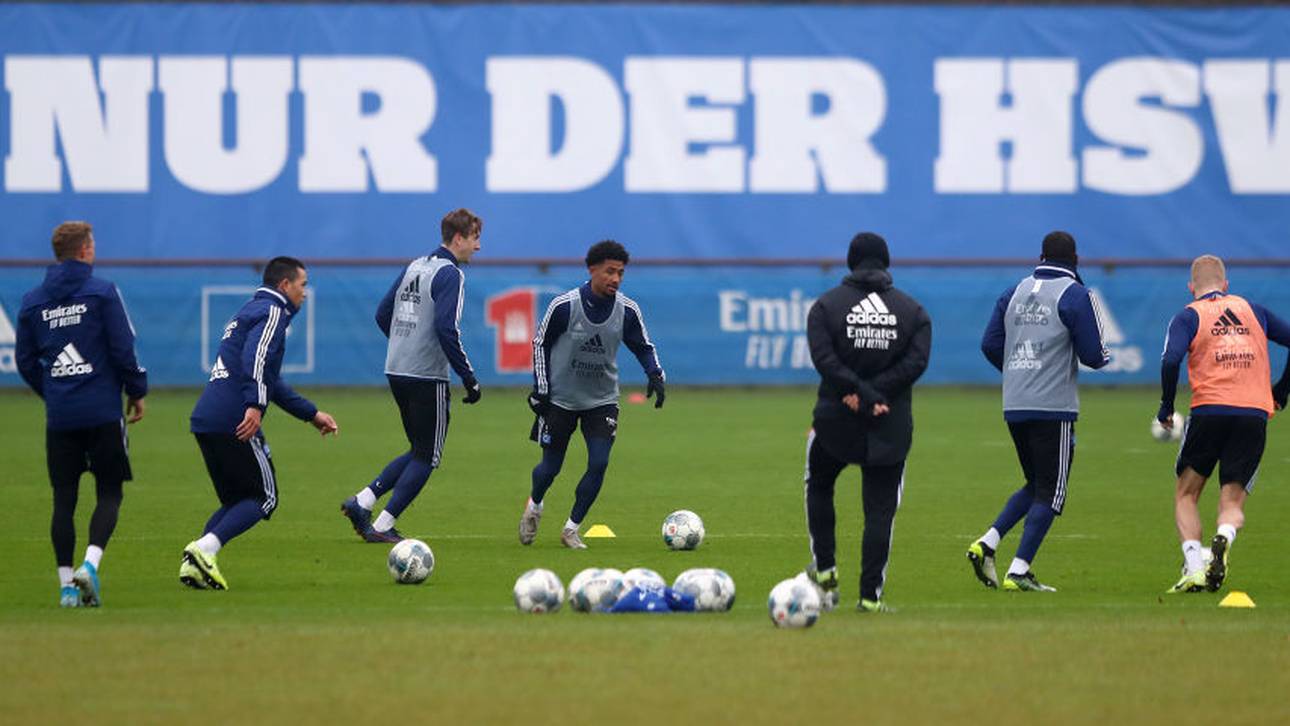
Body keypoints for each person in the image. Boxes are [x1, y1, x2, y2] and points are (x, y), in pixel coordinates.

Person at [183, 257, 339, 589]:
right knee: (264, 497)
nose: (305, 293)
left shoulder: (248, 311)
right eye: (303, 285)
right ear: (284, 285)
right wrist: (254, 405)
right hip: (234, 416)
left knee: (236, 501)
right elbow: (255, 359)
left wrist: (311, 414)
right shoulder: (273, 312)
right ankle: (204, 549)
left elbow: (271, 380)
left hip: (207, 416)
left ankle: (193, 563)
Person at [15, 221, 148, 608]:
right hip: (103, 411)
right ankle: (89, 566)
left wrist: (53, 390)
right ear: (86, 250)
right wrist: (137, 391)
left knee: (63, 500)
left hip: (61, 417)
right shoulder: (102, 292)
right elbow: (123, 349)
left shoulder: (32, 301)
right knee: (109, 492)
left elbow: (25, 360)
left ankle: (65, 588)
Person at [968, 231, 1109, 592]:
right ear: (1075, 259)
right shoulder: (1076, 295)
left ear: (1041, 255)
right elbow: (1095, 356)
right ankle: (1019, 570)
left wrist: (1019, 373)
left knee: (1036, 484)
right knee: (1053, 492)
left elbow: (989, 343)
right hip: (1053, 407)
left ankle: (987, 543)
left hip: (1015, 403)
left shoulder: (1013, 291)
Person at [802, 232, 931, 613]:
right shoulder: (914, 312)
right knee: (880, 512)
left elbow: (824, 360)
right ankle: (870, 598)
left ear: (849, 261)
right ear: (886, 262)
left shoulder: (825, 307)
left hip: (835, 419)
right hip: (889, 422)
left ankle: (825, 572)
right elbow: (916, 363)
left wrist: (857, 392)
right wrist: (878, 396)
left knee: (820, 484)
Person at [340, 209, 483, 542]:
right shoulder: (451, 274)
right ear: (459, 238)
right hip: (425, 375)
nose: (478, 246)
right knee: (429, 456)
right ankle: (383, 526)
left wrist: (404, 344)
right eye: (475, 238)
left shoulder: (415, 265)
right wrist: (469, 377)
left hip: (396, 369)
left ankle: (362, 502)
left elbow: (382, 313)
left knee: (418, 449)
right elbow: (447, 328)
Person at [517, 240, 665, 549]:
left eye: (621, 273)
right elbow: (539, 344)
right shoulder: (565, 306)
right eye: (610, 271)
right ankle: (535, 505)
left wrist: (655, 375)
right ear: (592, 269)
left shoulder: (627, 310)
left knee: (599, 463)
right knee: (550, 469)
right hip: (560, 400)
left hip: (602, 401)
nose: (615, 279)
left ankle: (571, 528)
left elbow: (643, 346)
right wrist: (541, 388)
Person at [1158, 255, 1290, 594]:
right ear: (1226, 285)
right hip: (1253, 413)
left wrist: (1167, 406)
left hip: (1209, 410)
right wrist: (1281, 389)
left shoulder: (1188, 316)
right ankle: (1224, 537)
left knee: (1186, 494)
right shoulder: (1253, 310)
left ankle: (1194, 567)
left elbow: (1171, 359)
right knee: (1231, 503)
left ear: (1192, 288)